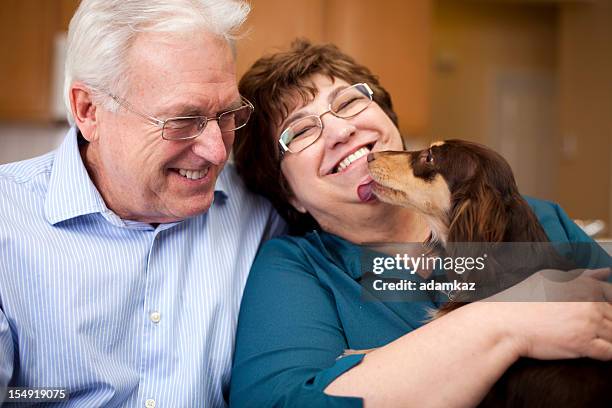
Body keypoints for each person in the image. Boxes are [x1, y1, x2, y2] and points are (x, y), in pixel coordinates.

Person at [229, 39, 612, 407]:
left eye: (347, 102)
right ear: (285, 190)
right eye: (300, 131)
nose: (340, 130)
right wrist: (501, 321)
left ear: (388, 120)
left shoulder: (540, 219)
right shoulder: (297, 270)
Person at [0, 1, 284, 406]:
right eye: (182, 122)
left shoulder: (262, 211)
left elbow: (384, 272)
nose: (217, 152)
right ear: (88, 110)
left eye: (226, 115)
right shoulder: (7, 220)